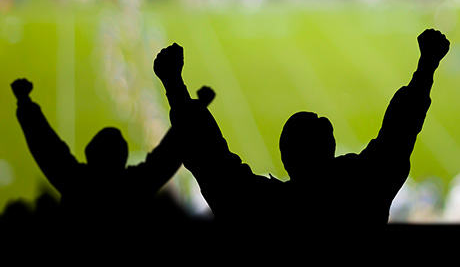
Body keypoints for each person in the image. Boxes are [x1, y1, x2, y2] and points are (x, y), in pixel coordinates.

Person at [153, 29, 450, 251]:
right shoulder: (363, 191)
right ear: (330, 149)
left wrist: (175, 86)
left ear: (286, 158)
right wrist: (426, 66)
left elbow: (211, 162)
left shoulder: (266, 209)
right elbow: (398, 134)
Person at [11, 78, 213, 248]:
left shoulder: (77, 184)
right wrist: (197, 107)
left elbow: (47, 148)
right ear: (123, 157)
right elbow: (168, 153)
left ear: (90, 153)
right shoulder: (135, 187)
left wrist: (24, 102)